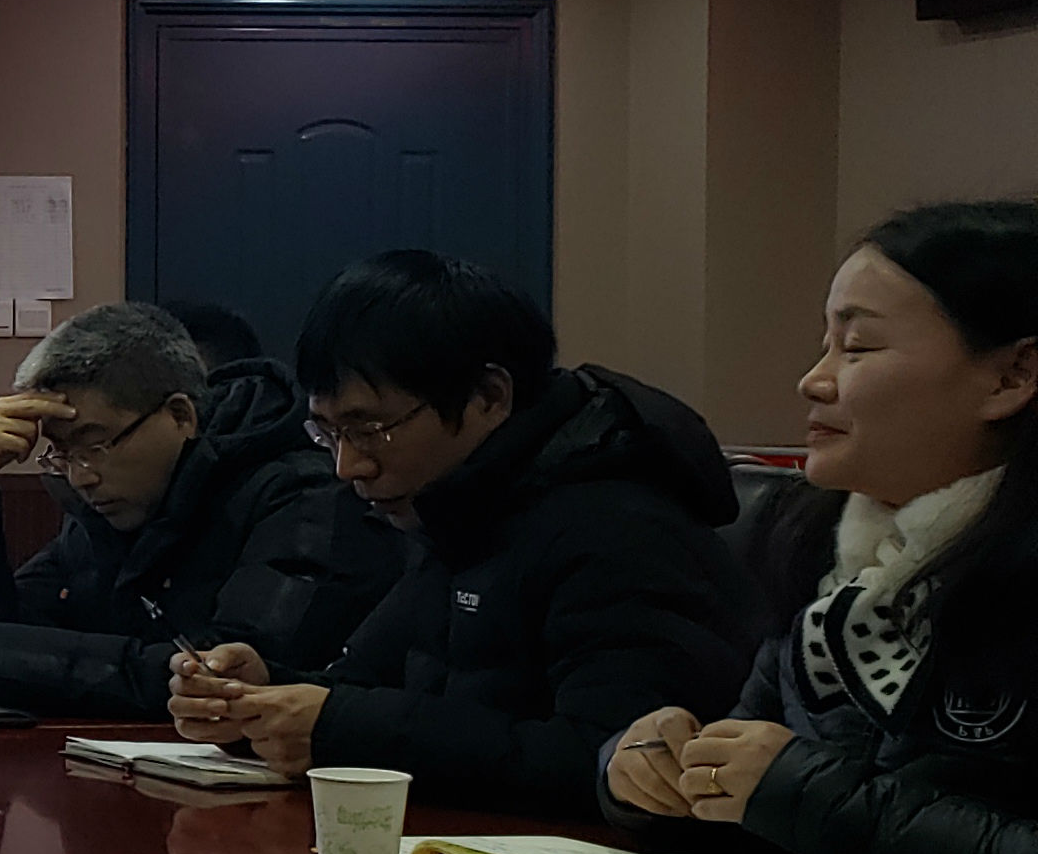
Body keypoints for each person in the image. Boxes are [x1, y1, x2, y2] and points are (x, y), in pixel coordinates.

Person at [171, 248, 757, 815]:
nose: (348, 466)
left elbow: (616, 764)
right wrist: (262, 697)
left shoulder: (619, 527)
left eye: (371, 429)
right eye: (328, 434)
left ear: (489, 397)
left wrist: (335, 728)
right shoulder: (457, 511)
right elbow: (367, 688)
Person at [602, 203, 1038, 854]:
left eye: (857, 347)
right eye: (825, 345)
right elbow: (769, 804)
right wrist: (653, 779)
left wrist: (800, 794)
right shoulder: (830, 556)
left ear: (1011, 377)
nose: (814, 380)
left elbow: (812, 801)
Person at [0, 300, 400, 717]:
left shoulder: (302, 496)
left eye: (95, 444)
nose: (81, 475)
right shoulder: (106, 503)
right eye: (62, 453)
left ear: (180, 415)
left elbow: (225, 675)